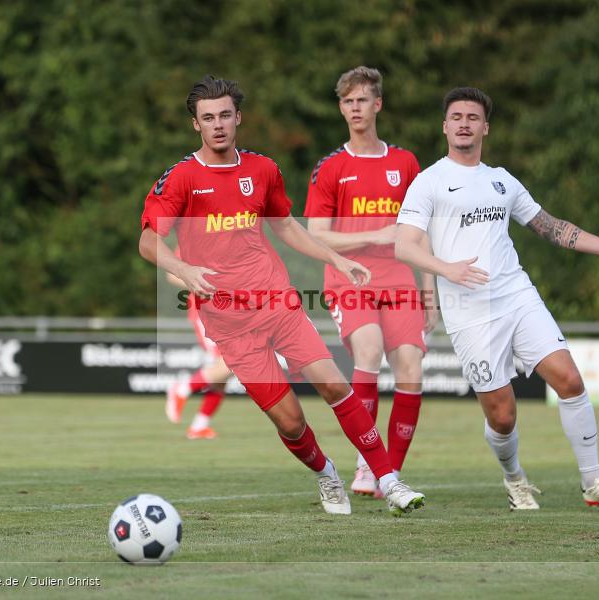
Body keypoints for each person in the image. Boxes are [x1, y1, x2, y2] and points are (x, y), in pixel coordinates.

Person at [139, 75, 425, 516]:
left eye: (225, 116)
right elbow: (148, 241)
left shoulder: (262, 170)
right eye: (208, 118)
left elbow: (288, 226)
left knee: (334, 384)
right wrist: (182, 268)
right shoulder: (181, 179)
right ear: (196, 125)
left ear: (239, 118)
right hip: (230, 326)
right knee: (290, 422)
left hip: (279, 304)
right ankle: (327, 475)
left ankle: (389, 480)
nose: (218, 125)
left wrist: (337, 259)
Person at [394, 86, 599, 510]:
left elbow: (548, 225)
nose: (464, 124)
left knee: (570, 380)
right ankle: (515, 479)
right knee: (503, 416)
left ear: (485, 128)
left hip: (517, 296)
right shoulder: (428, 182)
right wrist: (447, 269)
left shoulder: (502, 180)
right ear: (445, 127)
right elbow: (405, 246)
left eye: (473, 118)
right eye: (456, 117)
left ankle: (593, 480)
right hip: (470, 315)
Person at [305, 66, 437, 498]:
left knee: (411, 369)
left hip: (399, 276)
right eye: (347, 101)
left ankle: (391, 476)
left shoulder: (405, 163)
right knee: (370, 348)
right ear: (341, 109)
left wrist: (429, 290)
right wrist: (373, 236)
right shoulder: (331, 167)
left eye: (362, 100)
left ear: (377, 104)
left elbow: (419, 233)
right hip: (349, 275)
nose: (355, 108)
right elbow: (315, 232)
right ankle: (367, 464)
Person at [165, 270, 232, 440]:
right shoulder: (190, 243)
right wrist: (205, 285)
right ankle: (181, 389)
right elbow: (172, 274)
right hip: (205, 309)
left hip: (226, 310)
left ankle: (199, 427)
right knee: (230, 362)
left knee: (223, 371)